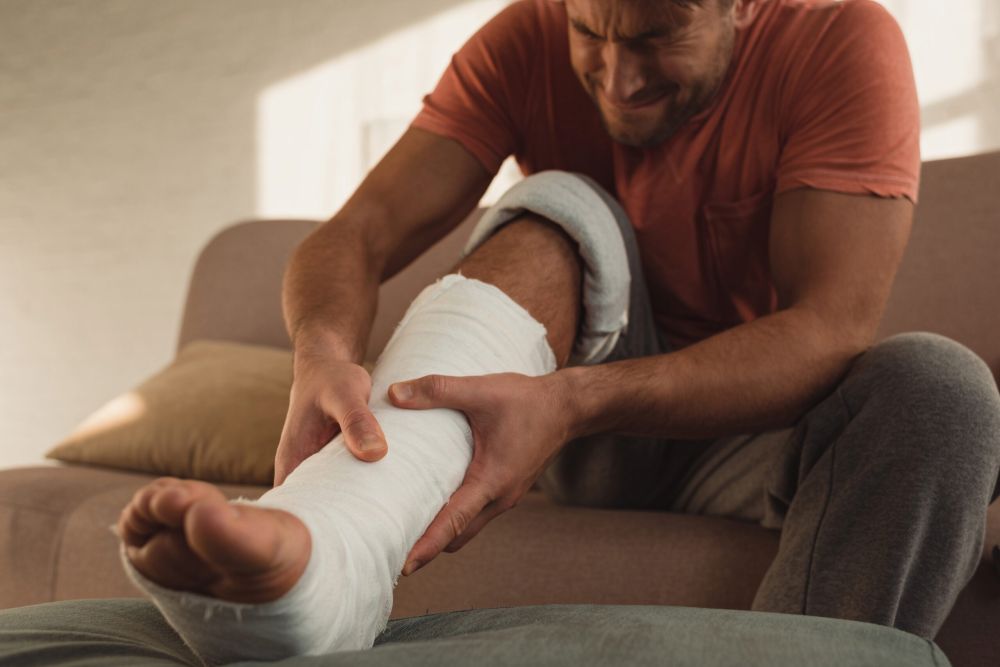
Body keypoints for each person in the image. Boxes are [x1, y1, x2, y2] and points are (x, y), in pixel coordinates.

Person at [117, 0, 1000, 662]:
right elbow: (357, 233)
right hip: (585, 440)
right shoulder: (523, 38)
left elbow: (828, 331)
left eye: (657, 35)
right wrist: (320, 352)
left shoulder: (841, 41)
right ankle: (327, 547)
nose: (618, 77)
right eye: (590, 31)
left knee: (942, 388)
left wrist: (573, 398)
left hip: (752, 437)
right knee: (561, 203)